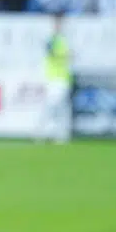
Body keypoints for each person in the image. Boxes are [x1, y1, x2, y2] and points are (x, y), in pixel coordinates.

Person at [42, 14, 73, 143]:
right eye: (57, 23)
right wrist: (66, 56)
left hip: (64, 77)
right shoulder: (52, 40)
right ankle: (45, 131)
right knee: (52, 104)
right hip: (53, 77)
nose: (59, 26)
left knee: (63, 106)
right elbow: (51, 52)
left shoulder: (63, 40)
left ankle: (62, 133)